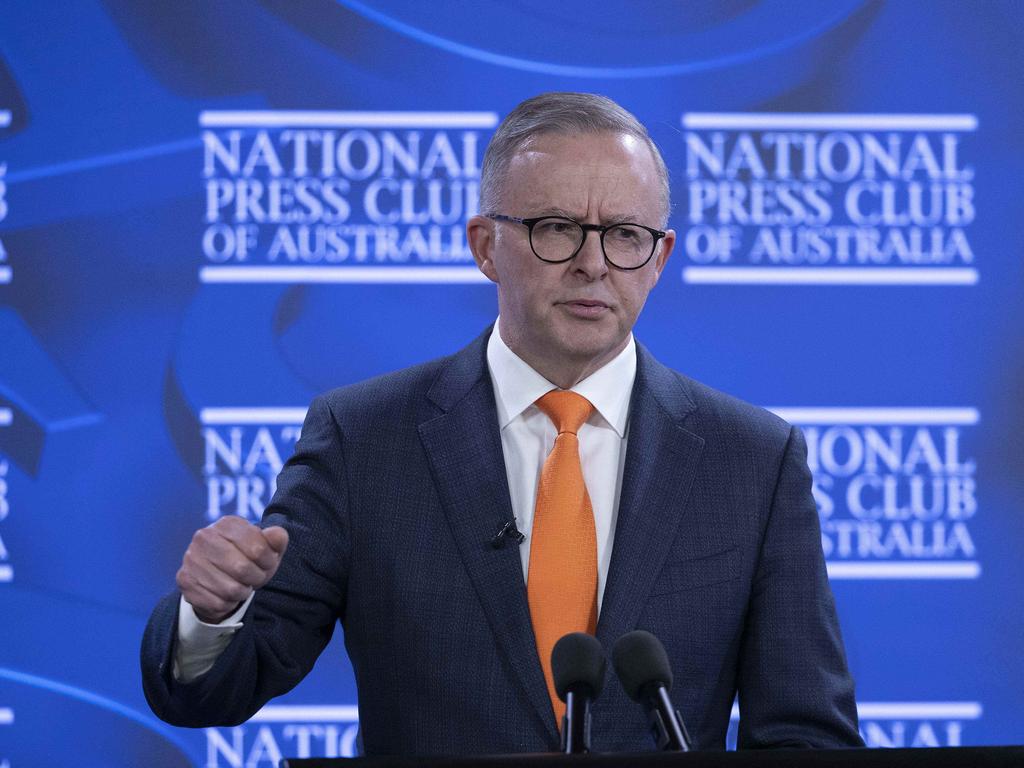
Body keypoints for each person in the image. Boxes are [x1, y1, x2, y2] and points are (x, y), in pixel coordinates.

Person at [141, 92, 863, 754]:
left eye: (625, 235)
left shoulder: (752, 462)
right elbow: (213, 690)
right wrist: (210, 615)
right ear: (485, 245)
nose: (592, 264)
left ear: (659, 258)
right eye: (556, 229)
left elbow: (807, 735)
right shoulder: (364, 440)